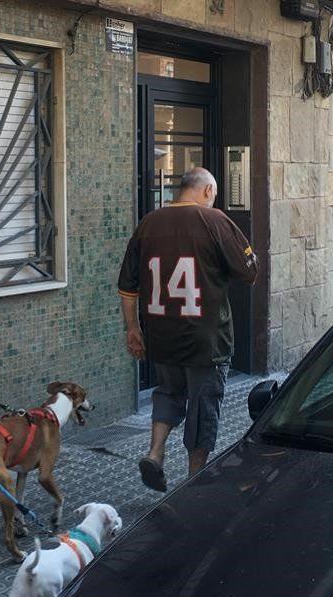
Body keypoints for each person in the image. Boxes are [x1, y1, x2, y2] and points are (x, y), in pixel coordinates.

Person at [117, 167, 258, 492]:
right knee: (203, 405)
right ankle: (193, 480)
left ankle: (155, 452)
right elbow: (250, 272)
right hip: (206, 340)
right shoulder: (216, 221)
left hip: (161, 335)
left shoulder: (148, 224)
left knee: (168, 392)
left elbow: (127, 287)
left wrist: (133, 330)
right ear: (208, 191)